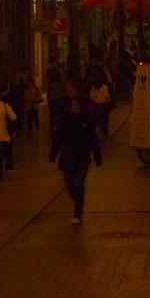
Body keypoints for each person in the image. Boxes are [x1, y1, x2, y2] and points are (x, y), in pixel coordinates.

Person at [50, 95, 102, 224]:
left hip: (82, 157)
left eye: (76, 105)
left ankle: (77, 212)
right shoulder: (65, 121)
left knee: (78, 183)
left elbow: (93, 139)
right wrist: (53, 155)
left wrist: (97, 156)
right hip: (67, 157)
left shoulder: (86, 121)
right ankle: (78, 202)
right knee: (69, 184)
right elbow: (57, 138)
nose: (74, 107)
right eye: (72, 105)